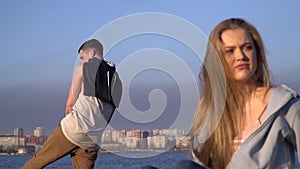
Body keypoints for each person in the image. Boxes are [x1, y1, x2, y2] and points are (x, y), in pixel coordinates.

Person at [190, 18, 300, 169]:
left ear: (257, 53)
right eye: (230, 51)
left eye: (247, 47)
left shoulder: (285, 105)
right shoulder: (207, 110)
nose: (240, 56)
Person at [22, 39, 116, 169]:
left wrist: (69, 108)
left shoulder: (84, 68)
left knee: (36, 163)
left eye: (82, 57)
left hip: (73, 130)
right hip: (91, 142)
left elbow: (70, 103)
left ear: (92, 52)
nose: (82, 61)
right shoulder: (116, 81)